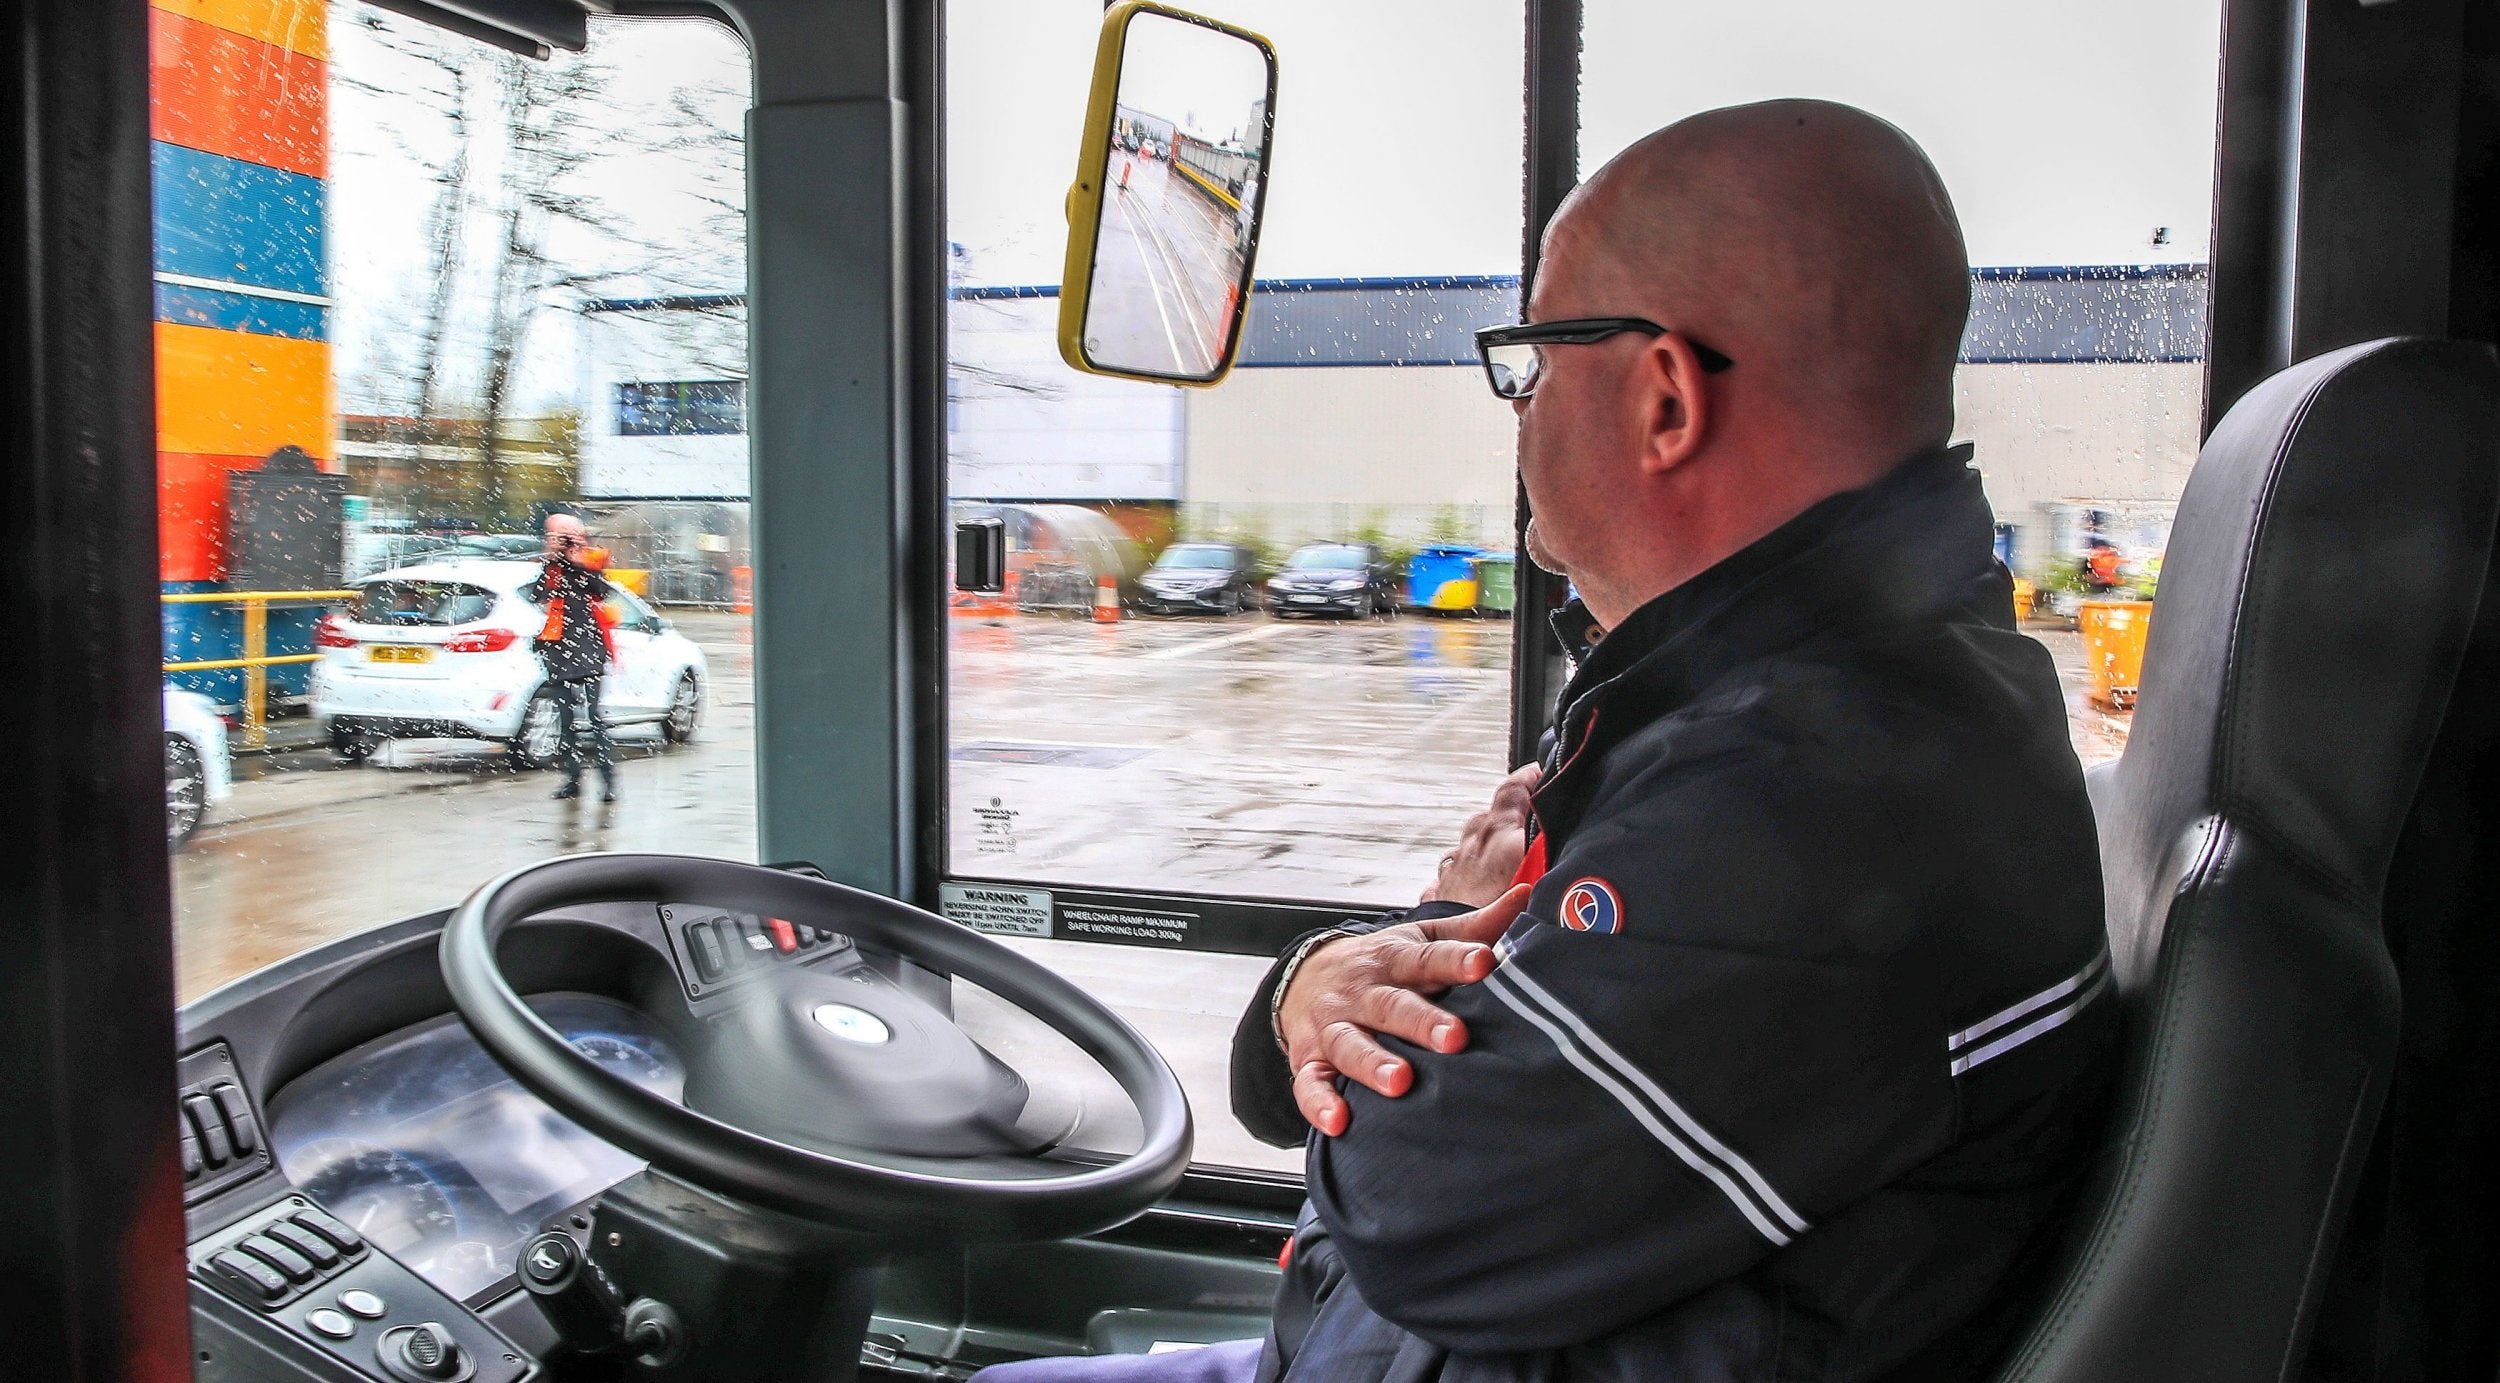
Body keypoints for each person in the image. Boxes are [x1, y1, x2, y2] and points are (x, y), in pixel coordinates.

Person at [976, 98, 2112, 1383]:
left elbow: (1425, 1215)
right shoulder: (1866, 706)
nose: (1515, 412)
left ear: (1664, 400)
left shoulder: (1808, 804)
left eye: (1528, 364)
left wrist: (1338, 983)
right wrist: (1370, 971)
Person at [523, 512, 619, 802]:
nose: (564, 542)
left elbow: (603, 592)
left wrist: (579, 563)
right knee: (565, 721)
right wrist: (552, 558)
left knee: (594, 718)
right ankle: (573, 780)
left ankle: (608, 783)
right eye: (557, 536)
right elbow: (537, 595)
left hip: (589, 649)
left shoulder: (591, 560)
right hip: (559, 651)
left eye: (568, 536)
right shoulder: (551, 566)